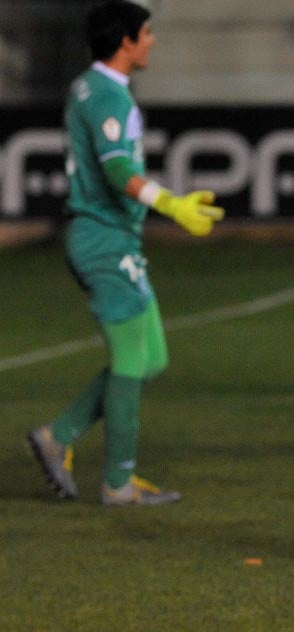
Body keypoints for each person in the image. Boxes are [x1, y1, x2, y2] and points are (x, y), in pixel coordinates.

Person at [26, 0, 224, 506]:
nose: (152, 41)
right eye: (146, 33)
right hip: (104, 238)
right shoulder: (111, 98)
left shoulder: (86, 86)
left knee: (149, 355)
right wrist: (171, 204)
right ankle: (117, 481)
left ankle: (58, 436)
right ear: (126, 41)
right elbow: (117, 171)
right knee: (132, 359)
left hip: (107, 237)